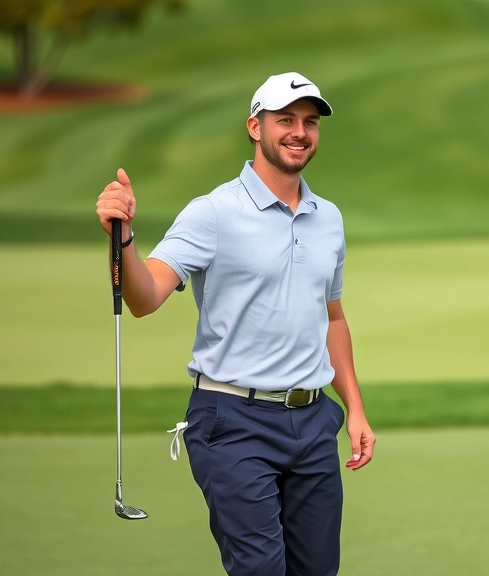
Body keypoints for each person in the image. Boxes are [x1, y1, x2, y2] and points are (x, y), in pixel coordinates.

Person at [95, 71, 375, 576]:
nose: (299, 132)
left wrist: (354, 407)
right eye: (285, 120)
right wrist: (126, 238)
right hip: (233, 420)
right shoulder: (213, 212)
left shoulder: (327, 217)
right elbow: (145, 295)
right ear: (255, 126)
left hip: (313, 422)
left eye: (310, 122)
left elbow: (332, 317)